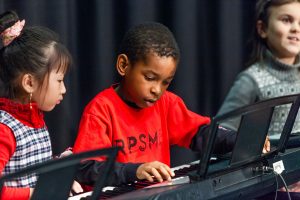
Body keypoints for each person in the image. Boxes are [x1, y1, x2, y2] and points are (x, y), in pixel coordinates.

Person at [72, 22, 261, 188]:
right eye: (150, 78)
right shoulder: (101, 109)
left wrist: (242, 140)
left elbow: (201, 133)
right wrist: (135, 171)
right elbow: (85, 167)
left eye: (166, 82)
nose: (157, 90)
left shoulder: (167, 103)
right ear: (123, 65)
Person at [217, 0, 300, 195]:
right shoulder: (251, 80)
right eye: (287, 20)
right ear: (262, 28)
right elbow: (222, 134)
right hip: (276, 188)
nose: (296, 29)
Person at [0, 11, 82, 200]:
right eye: (59, 80)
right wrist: (36, 193)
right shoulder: (5, 129)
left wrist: (58, 172)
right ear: (29, 83)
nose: (64, 89)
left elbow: (30, 171)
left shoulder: (34, 118)